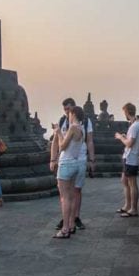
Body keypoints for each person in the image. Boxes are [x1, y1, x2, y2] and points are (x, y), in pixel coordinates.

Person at [49, 97, 93, 231]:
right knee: (67, 194)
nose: (66, 112)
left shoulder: (83, 123)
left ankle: (74, 219)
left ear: (73, 109)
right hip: (68, 160)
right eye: (65, 110)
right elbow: (55, 142)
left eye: (68, 109)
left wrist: (92, 159)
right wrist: (53, 159)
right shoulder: (63, 121)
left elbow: (89, 141)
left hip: (77, 159)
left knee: (74, 191)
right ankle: (68, 219)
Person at [114, 102, 139, 217]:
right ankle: (127, 205)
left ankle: (133, 209)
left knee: (132, 183)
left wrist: (120, 137)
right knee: (124, 181)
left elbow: (129, 143)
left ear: (127, 112)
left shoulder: (135, 126)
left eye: (124, 112)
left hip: (131, 157)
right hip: (131, 157)